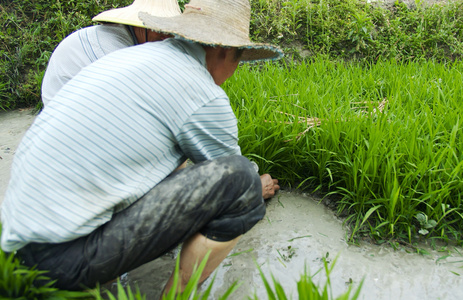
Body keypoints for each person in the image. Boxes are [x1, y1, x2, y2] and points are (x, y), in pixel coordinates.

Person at [1, 0, 282, 297]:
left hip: (16, 245)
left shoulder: (128, 58)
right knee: (241, 183)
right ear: (226, 52)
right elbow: (227, 174)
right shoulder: (202, 93)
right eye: (238, 62)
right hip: (58, 262)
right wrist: (255, 182)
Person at [41, 0, 182, 106]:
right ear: (141, 24)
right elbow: (139, 95)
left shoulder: (127, 39)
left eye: (169, 30)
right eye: (160, 29)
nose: (166, 36)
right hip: (63, 111)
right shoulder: (111, 45)